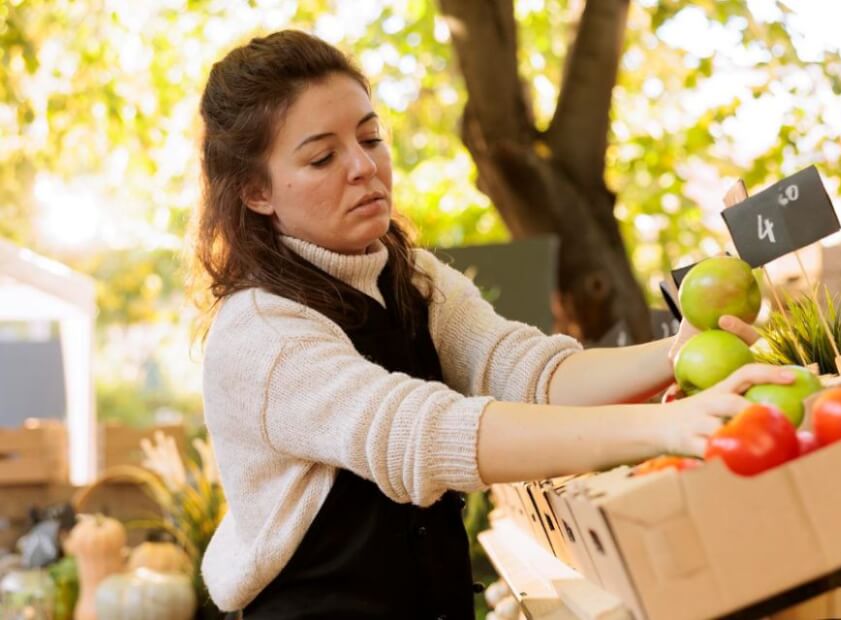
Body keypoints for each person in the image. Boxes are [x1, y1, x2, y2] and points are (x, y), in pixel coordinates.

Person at [191, 29, 795, 619]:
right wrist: (664, 426)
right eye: (322, 156)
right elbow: (423, 434)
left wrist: (675, 355)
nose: (363, 167)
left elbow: (529, 373)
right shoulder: (259, 335)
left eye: (370, 138)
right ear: (255, 192)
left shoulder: (413, 276)